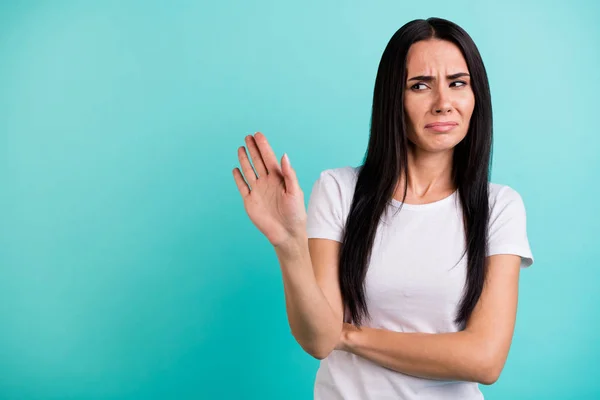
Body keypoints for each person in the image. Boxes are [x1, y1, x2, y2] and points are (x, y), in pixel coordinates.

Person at [232, 17, 533, 400]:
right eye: (420, 86)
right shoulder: (339, 190)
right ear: (393, 98)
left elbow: (485, 359)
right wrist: (289, 243)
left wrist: (347, 334)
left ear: (476, 97)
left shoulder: (500, 207)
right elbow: (317, 340)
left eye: (458, 83)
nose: (443, 103)